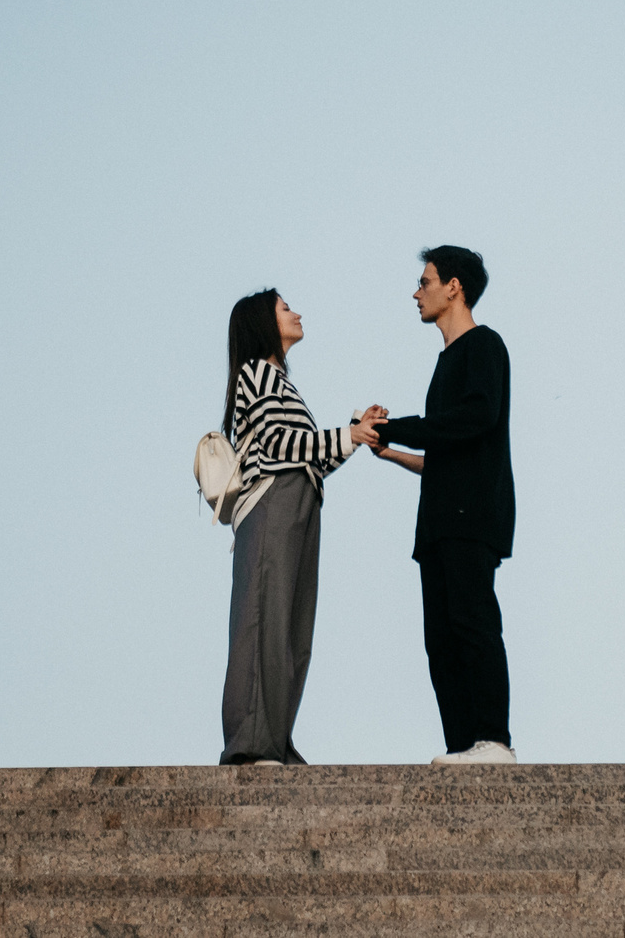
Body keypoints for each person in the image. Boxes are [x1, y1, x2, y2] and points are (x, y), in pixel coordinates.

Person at [217, 287, 384, 766]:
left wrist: (354, 432)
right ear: (263, 323)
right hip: (271, 501)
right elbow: (279, 444)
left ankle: (274, 741)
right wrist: (345, 435)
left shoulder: (280, 382)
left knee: (292, 633)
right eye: (285, 308)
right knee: (263, 620)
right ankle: (252, 744)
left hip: (298, 502)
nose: (296, 312)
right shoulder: (256, 373)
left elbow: (306, 455)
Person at [370, 246, 517, 765]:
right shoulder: (446, 360)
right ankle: (463, 749)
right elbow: (444, 455)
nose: (417, 292)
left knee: (474, 623)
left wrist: (395, 426)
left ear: (454, 286)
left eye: (425, 281)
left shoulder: (484, 346)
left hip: (471, 517)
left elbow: (474, 420)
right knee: (442, 640)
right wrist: (390, 451)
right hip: (437, 524)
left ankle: (493, 742)